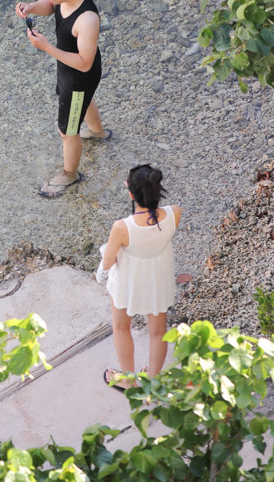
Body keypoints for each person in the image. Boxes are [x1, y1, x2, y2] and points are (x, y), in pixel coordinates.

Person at [15, 0, 111, 199]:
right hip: (73, 73)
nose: (46, 0)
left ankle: (70, 174)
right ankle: (98, 132)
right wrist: (32, 7)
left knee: (67, 131)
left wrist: (47, 47)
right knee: (85, 101)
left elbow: (84, 63)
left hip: (79, 75)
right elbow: (51, 5)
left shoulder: (87, 20)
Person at [95, 164, 180, 392]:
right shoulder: (175, 213)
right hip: (158, 278)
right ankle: (153, 380)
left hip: (128, 282)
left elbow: (109, 261)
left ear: (131, 194)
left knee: (122, 327)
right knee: (158, 332)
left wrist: (100, 274)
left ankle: (129, 379)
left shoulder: (122, 227)